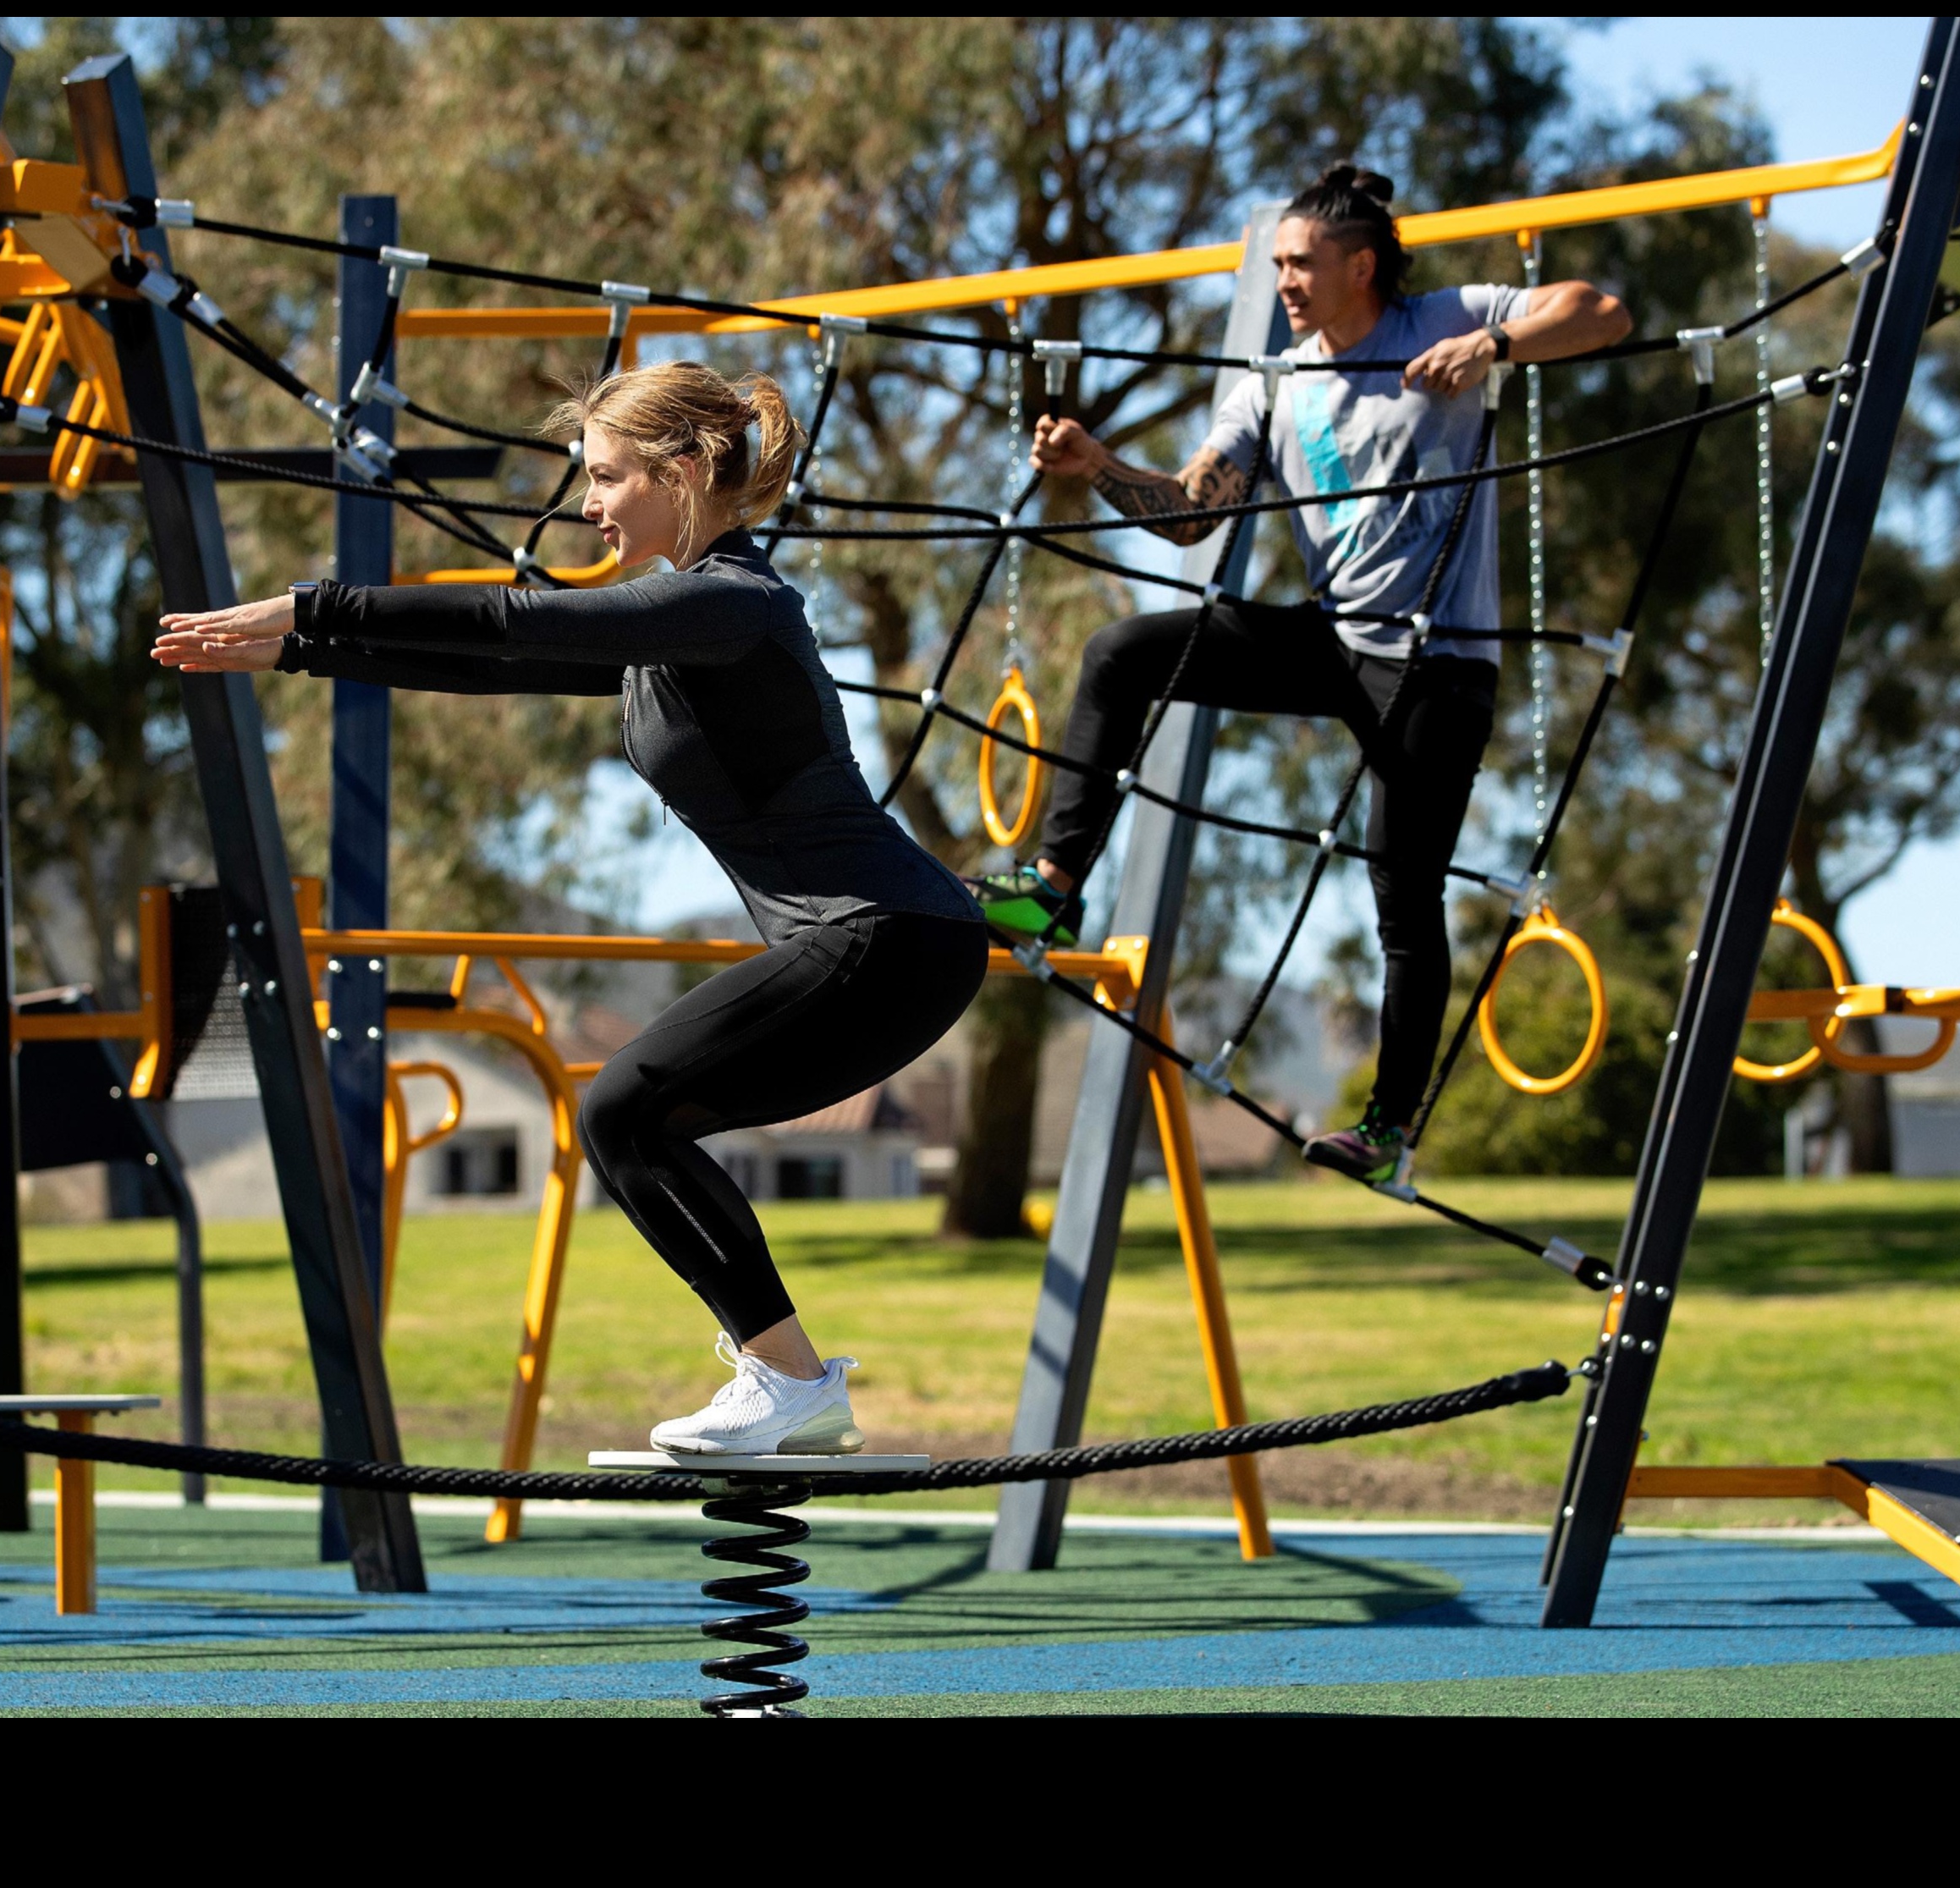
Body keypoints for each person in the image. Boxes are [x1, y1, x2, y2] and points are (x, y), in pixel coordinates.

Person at [151, 361, 987, 1456]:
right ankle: (788, 1381)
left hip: (883, 932)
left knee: (624, 1104)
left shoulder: (731, 601)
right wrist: (301, 649)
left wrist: (313, 605)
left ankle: (788, 1378)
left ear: (683, 470)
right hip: (888, 945)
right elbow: (502, 665)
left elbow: (512, 617)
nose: (587, 505)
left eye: (606, 477)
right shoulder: (678, 627)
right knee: (641, 1115)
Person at [972, 162, 1631, 1182]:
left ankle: (1388, 1125)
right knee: (1121, 655)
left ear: (1361, 266)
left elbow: (1600, 312)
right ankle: (1057, 885)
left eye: (1301, 263)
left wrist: (1491, 346)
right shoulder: (1274, 383)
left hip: (1435, 663)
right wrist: (1097, 464)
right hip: (1331, 640)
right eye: (1277, 263)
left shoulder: (1443, 319)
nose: (1284, 280)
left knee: (1403, 900)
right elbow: (1192, 511)